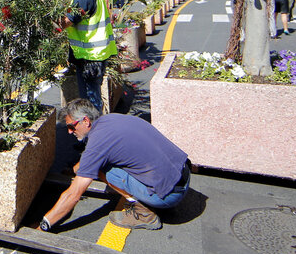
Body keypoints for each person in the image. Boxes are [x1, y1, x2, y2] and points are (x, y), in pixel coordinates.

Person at [38, 99, 190, 232]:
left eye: (72, 127)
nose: (70, 132)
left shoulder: (98, 143)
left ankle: (144, 214)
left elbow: (73, 195)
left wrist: (44, 225)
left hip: (170, 196)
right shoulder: (111, 119)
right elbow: (91, 157)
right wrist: (76, 169)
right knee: (97, 163)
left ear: (86, 121)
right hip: (182, 175)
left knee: (102, 169)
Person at [58, 0, 117, 112]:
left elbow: (66, 21)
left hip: (90, 57)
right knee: (92, 100)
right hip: (93, 55)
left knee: (90, 104)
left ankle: (95, 134)